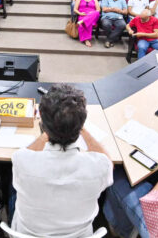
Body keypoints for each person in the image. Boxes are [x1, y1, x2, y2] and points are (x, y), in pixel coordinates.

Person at [11, 84, 112, 237]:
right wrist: (78, 127)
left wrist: (50, 130)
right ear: (80, 126)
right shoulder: (99, 167)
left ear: (43, 126)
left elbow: (27, 152)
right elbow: (106, 159)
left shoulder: (21, 160)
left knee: (11, 190)